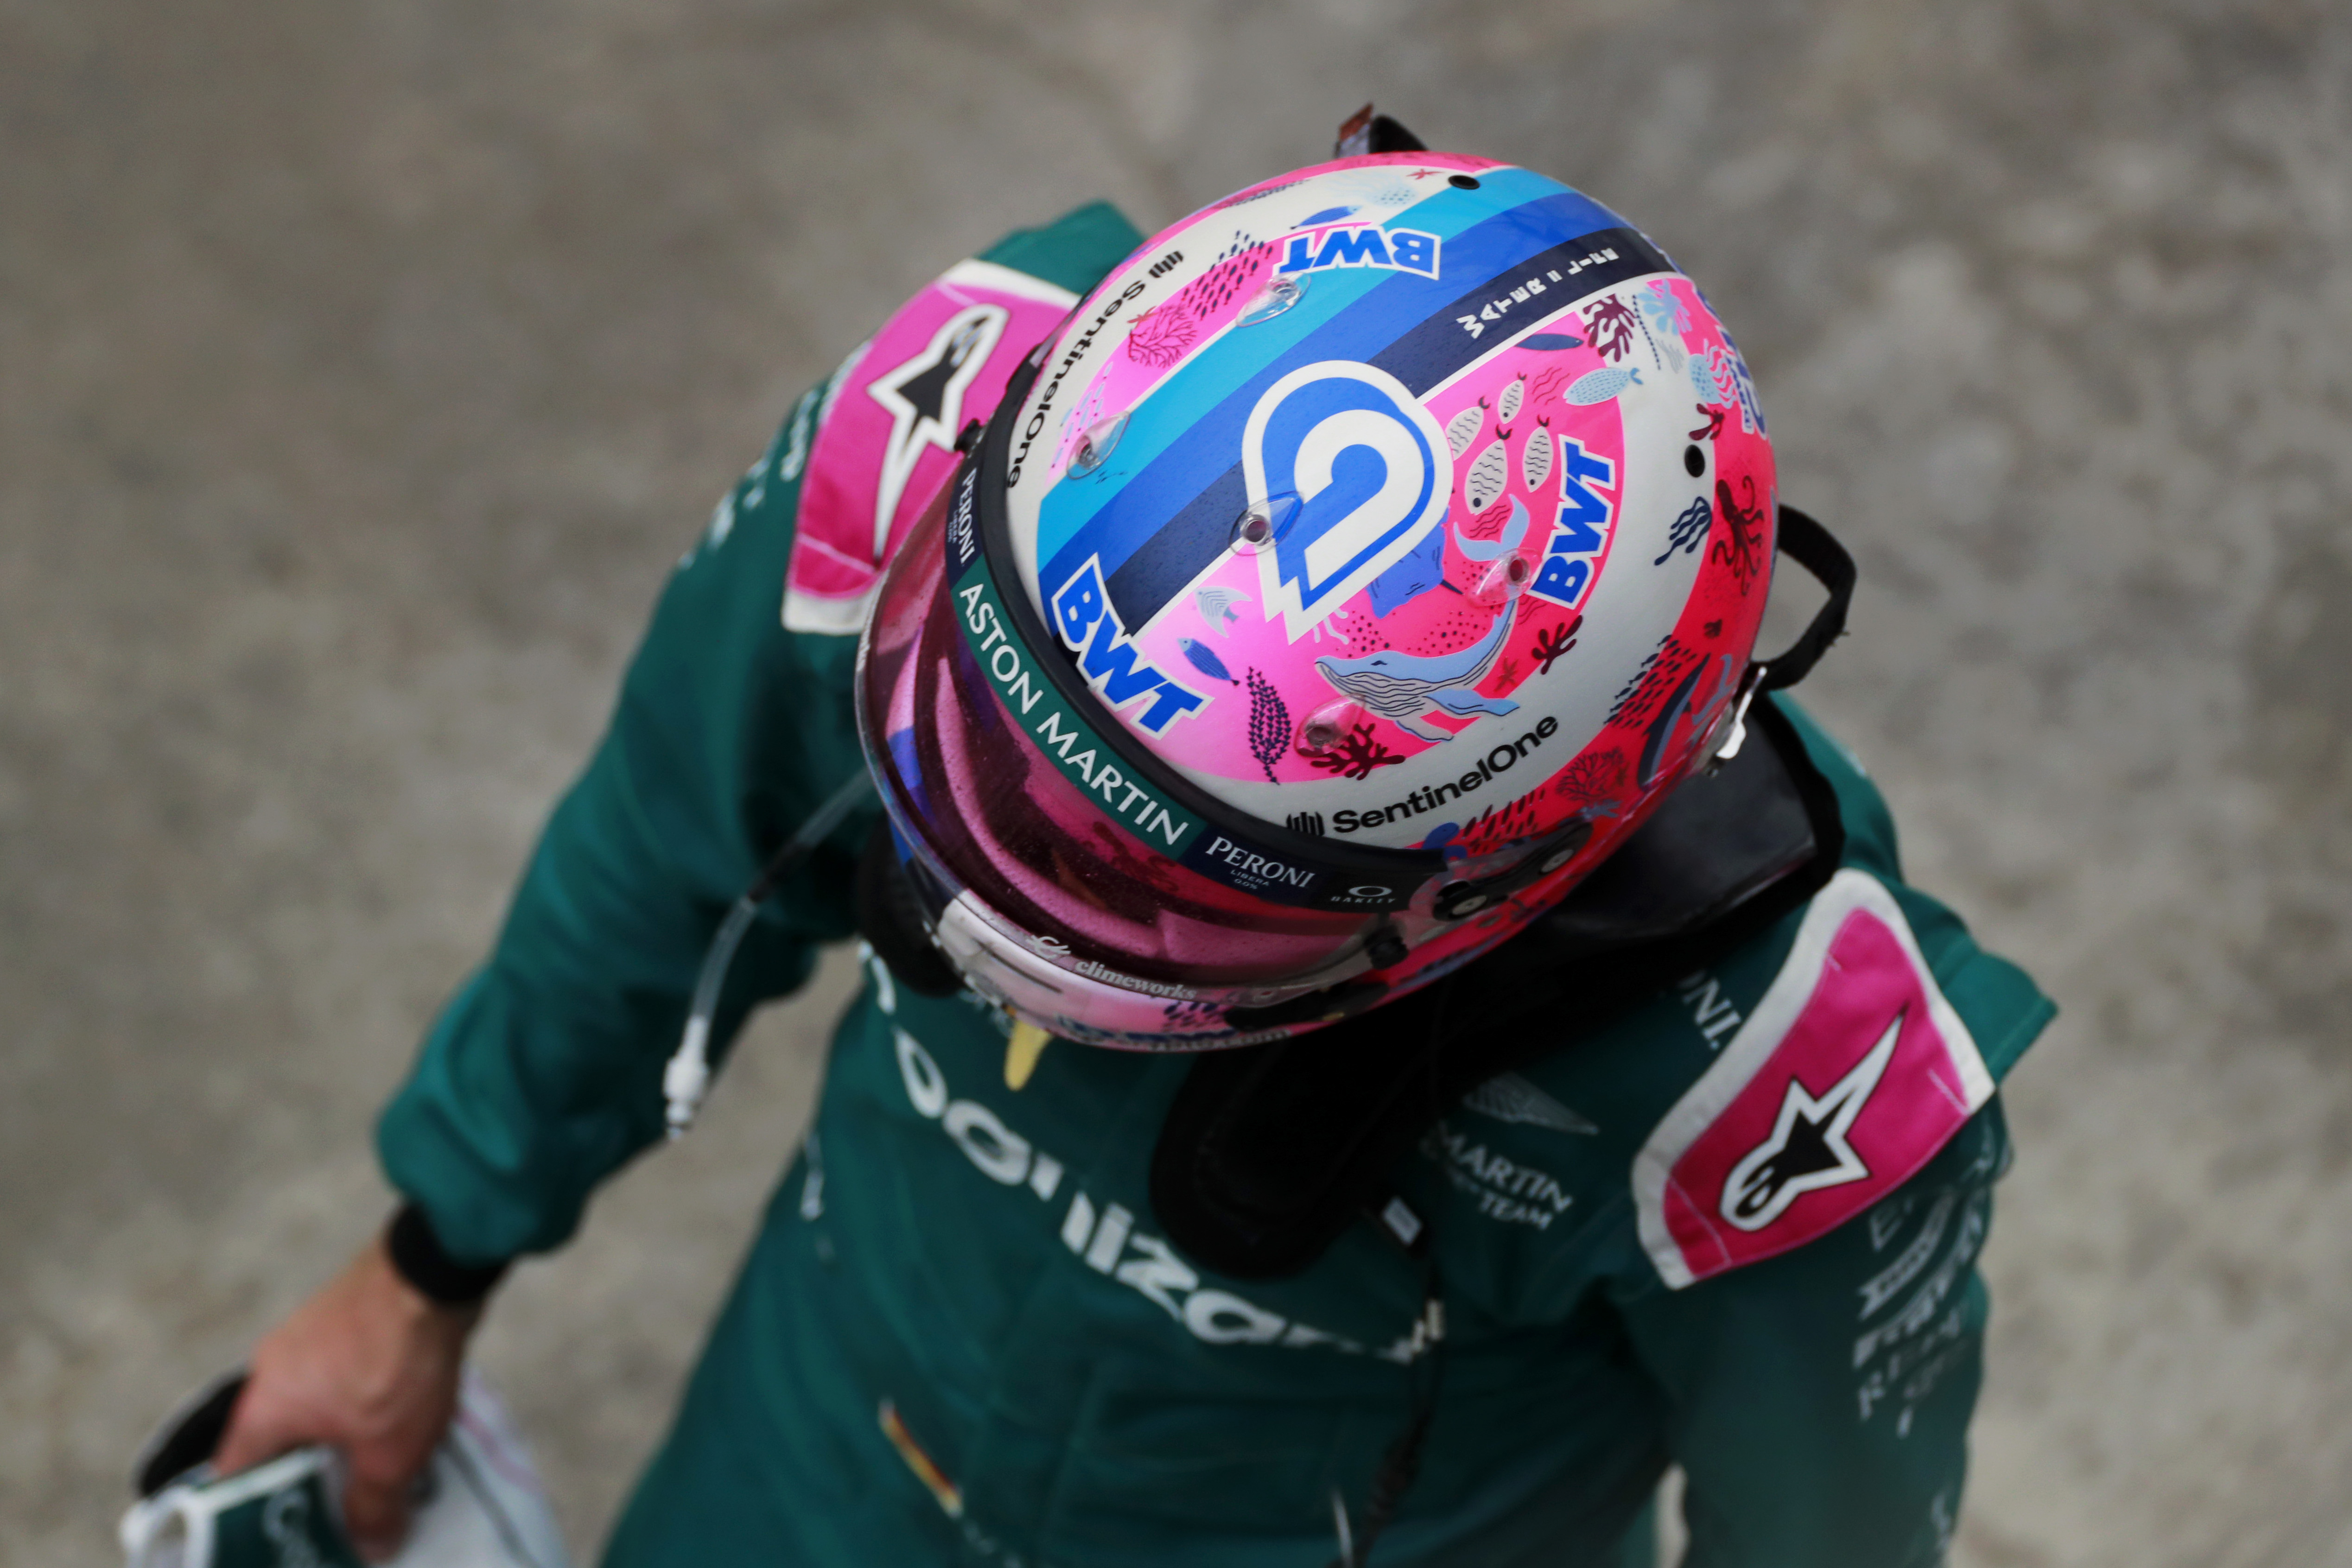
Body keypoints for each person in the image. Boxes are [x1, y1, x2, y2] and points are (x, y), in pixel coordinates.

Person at [213, 113, 2054, 1568]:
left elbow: (1829, 1532)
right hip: (801, 1473)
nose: (1000, 884)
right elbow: (660, 843)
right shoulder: (911, 440)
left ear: (1496, 877)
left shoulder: (1783, 1070)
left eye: (1146, 872)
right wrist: (421, 1265)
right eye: (1004, 731)